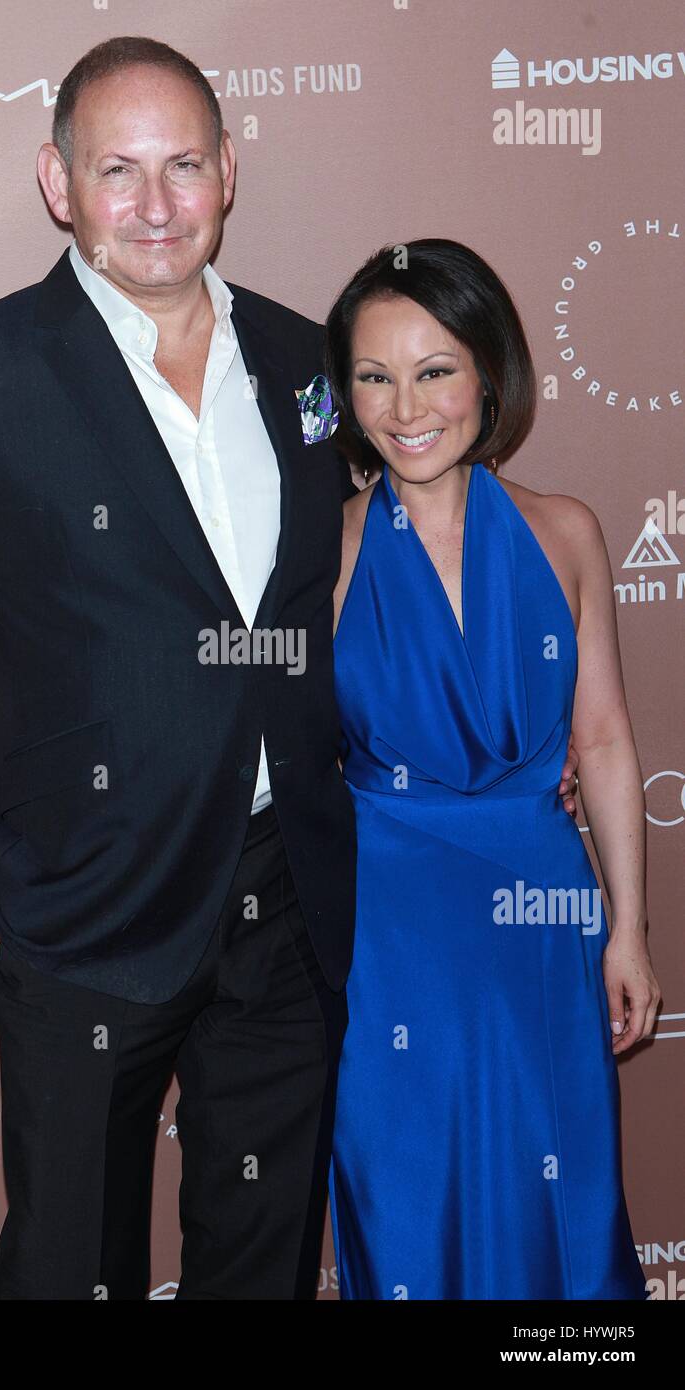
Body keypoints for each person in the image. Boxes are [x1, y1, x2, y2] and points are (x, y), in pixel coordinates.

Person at [0, 35, 578, 1300]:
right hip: (78, 909)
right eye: (116, 170)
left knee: (262, 1264)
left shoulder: (305, 365)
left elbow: (406, 529)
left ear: (229, 171)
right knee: (74, 1269)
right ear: (56, 182)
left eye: (183, 162)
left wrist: (501, 753)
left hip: (286, 905)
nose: (156, 203)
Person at [324, 239, 660, 1300]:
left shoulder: (566, 534)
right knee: (406, 1195)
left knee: (552, 1194)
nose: (403, 405)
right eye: (373, 375)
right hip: (385, 925)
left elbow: (601, 736)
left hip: (538, 910)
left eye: (432, 369)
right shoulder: (320, 551)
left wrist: (626, 928)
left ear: (488, 373)